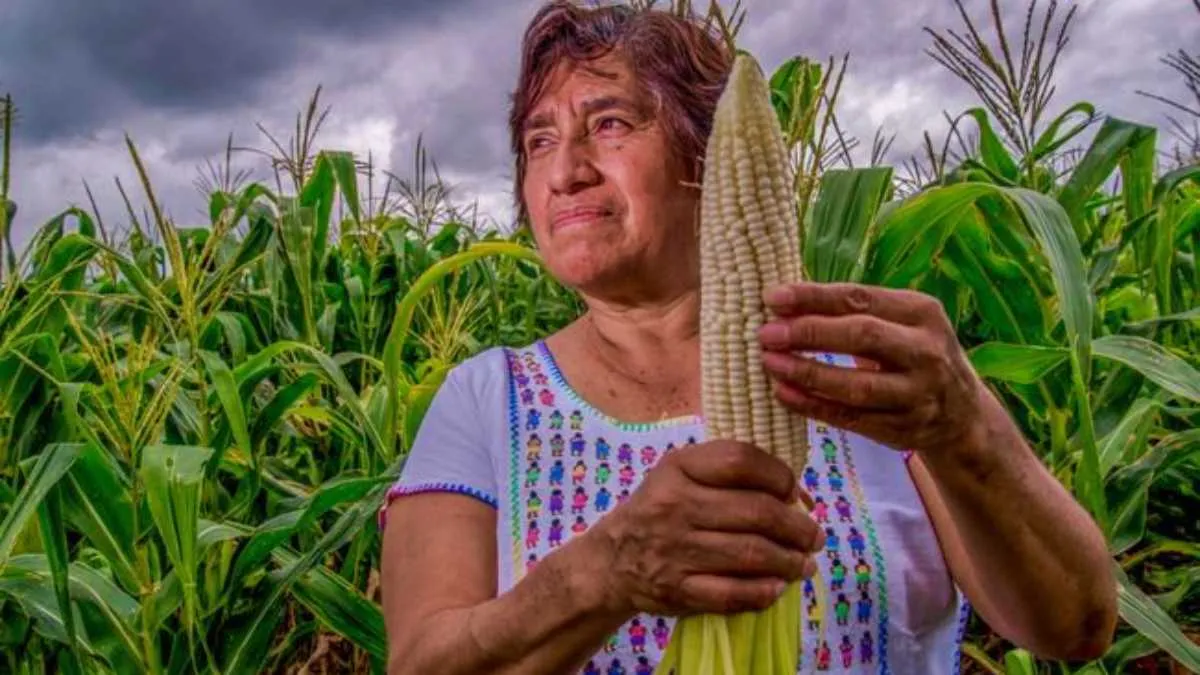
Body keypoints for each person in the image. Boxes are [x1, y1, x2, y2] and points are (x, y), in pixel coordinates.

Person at [377, 2, 1118, 673]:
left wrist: (966, 428)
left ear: (704, 154)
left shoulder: (872, 378)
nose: (566, 170)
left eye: (608, 124)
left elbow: (1075, 625)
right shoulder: (484, 401)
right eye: (540, 141)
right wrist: (603, 572)